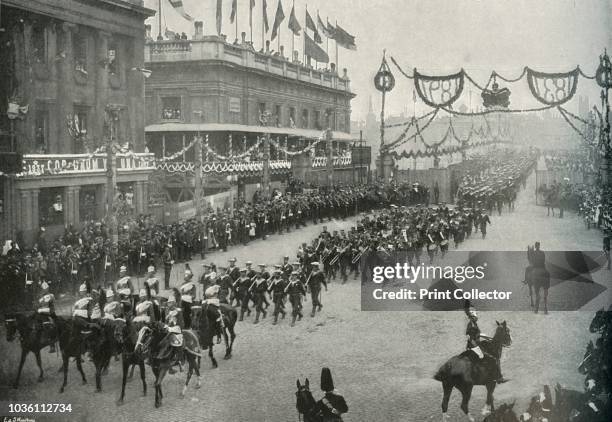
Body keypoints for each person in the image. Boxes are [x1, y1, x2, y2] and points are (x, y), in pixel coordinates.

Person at [464, 302, 507, 384]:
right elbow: (470, 339)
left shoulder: (474, 324)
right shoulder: (472, 325)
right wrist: (479, 351)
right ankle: (498, 378)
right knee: (493, 359)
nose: (476, 316)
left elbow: (476, 334)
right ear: (471, 317)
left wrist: (484, 336)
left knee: (491, 346)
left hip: (477, 343)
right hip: (474, 346)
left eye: (476, 315)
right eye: (475, 316)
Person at [36, 281, 56, 352]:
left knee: (48, 326)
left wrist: (40, 310)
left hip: (50, 313)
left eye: (46, 289)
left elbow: (48, 307)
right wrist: (38, 309)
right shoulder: (40, 297)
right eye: (43, 289)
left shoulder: (50, 295)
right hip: (42, 314)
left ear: (47, 289)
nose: (44, 290)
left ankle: (52, 345)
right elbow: (38, 306)